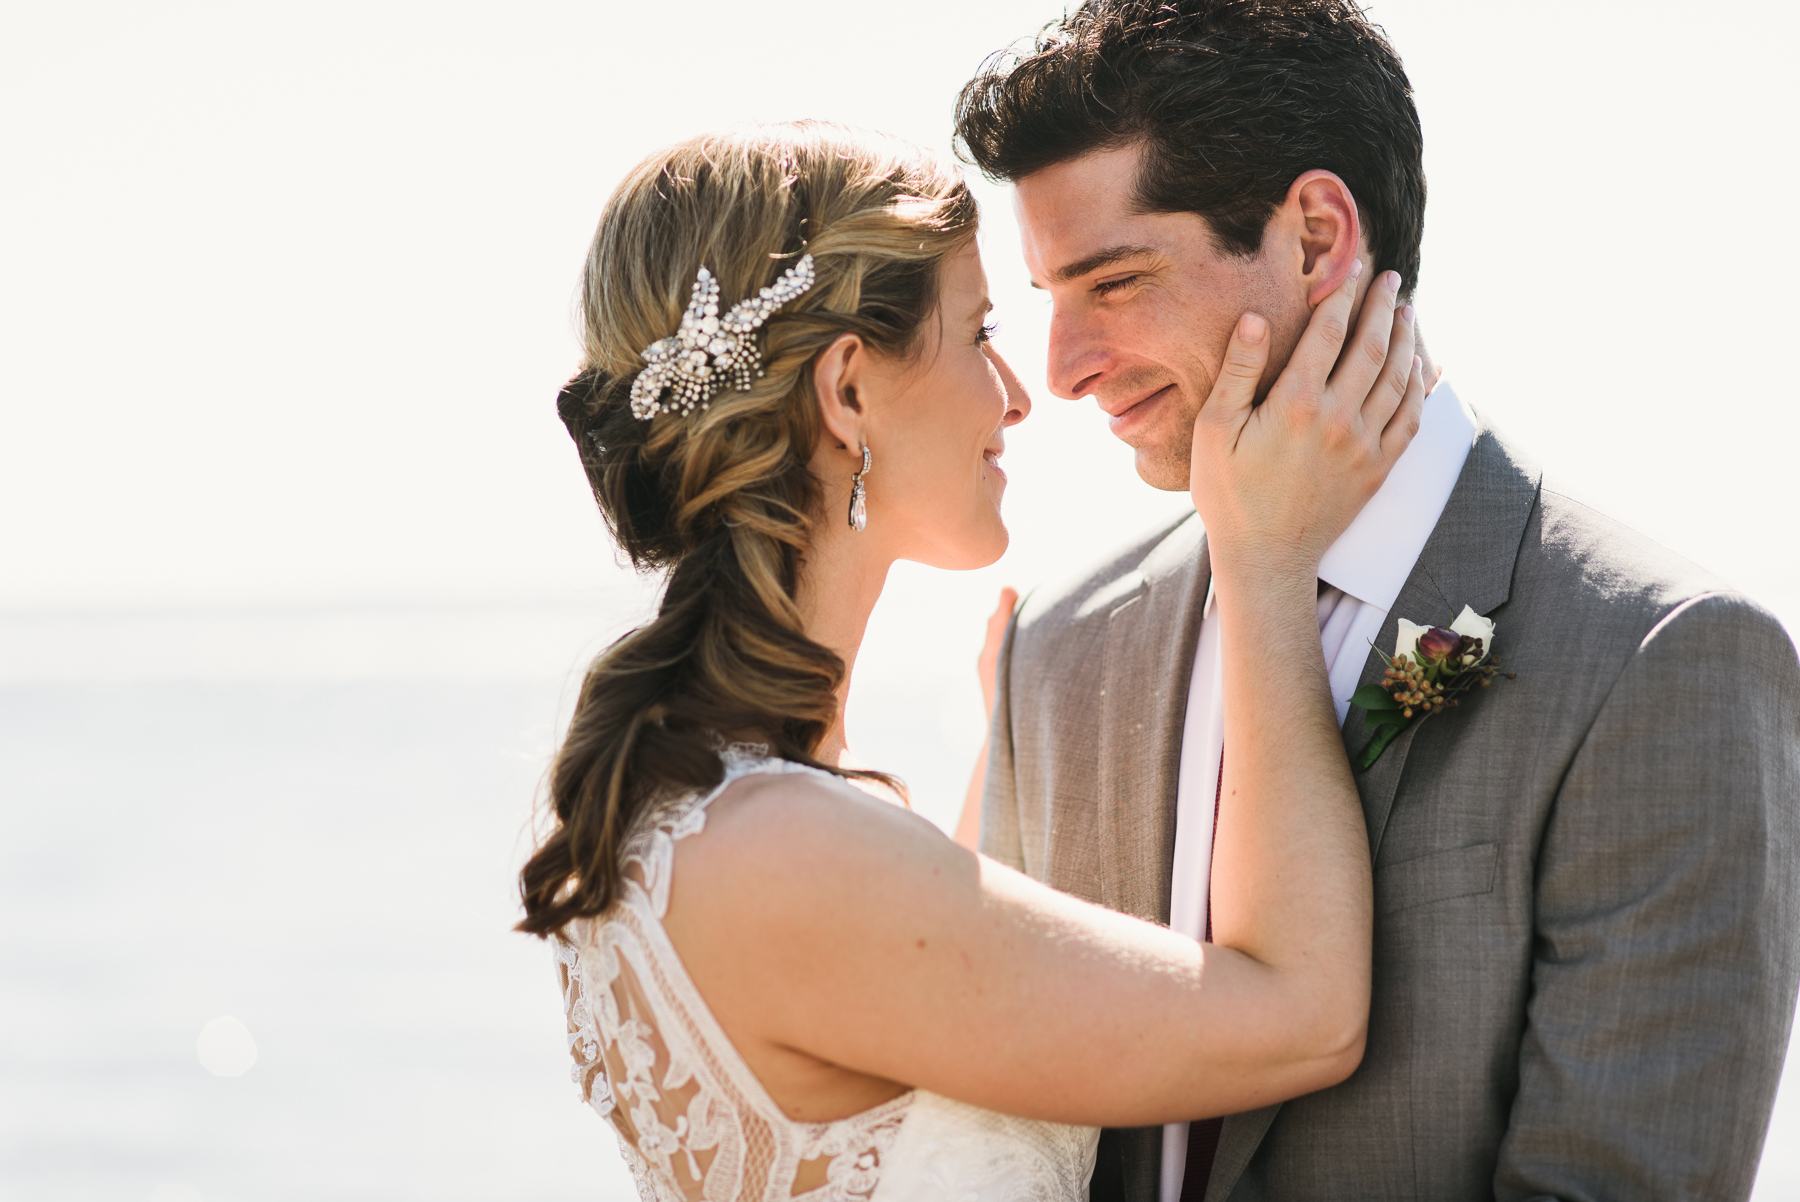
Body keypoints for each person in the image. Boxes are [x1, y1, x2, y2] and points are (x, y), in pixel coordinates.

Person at [955, 2, 1800, 1199]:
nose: (1063, 366)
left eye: (1116, 280)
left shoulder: (1663, 659)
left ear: (1313, 236)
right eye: (1049, 294)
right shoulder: (1059, 643)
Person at [517, 120, 1426, 1200]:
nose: (1018, 391)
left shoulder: (723, 812)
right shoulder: (783, 848)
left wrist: (1005, 742)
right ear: (849, 390)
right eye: (978, 331)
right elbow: (1302, 1016)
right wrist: (1264, 564)